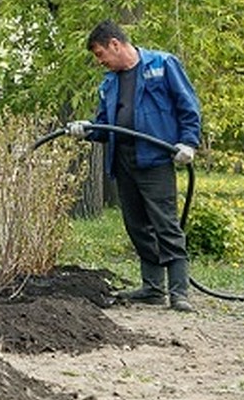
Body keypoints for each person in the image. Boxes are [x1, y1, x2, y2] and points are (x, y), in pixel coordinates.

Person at [67, 20, 202, 312]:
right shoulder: (110, 82)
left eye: (101, 54)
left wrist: (189, 142)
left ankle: (179, 293)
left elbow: (187, 105)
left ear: (115, 44)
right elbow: (105, 126)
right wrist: (87, 129)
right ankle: (153, 289)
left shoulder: (163, 65)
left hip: (154, 158)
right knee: (137, 225)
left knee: (165, 223)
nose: (100, 61)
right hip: (123, 159)